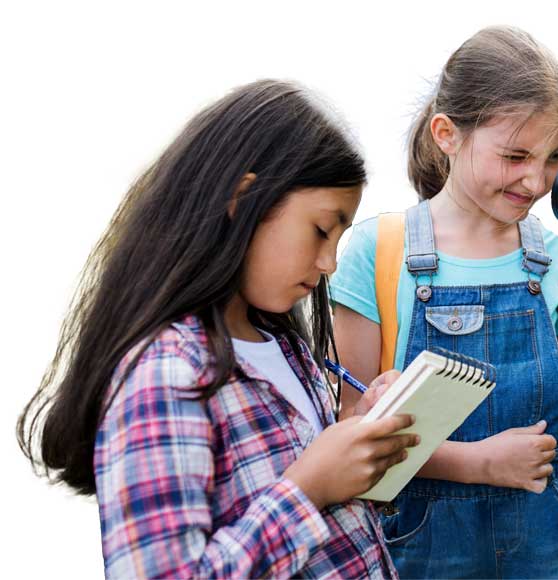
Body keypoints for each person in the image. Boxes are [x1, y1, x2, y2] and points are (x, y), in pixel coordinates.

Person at [16, 79, 420, 579]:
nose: (330, 262)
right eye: (320, 229)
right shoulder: (164, 372)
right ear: (242, 197)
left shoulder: (288, 348)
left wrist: (360, 446)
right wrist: (308, 488)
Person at [331, 26, 558, 578]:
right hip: (426, 544)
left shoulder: (553, 255)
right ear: (447, 135)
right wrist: (478, 463)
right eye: (514, 155)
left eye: (554, 156)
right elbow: (348, 425)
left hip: (556, 538)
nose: (535, 180)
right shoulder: (377, 251)